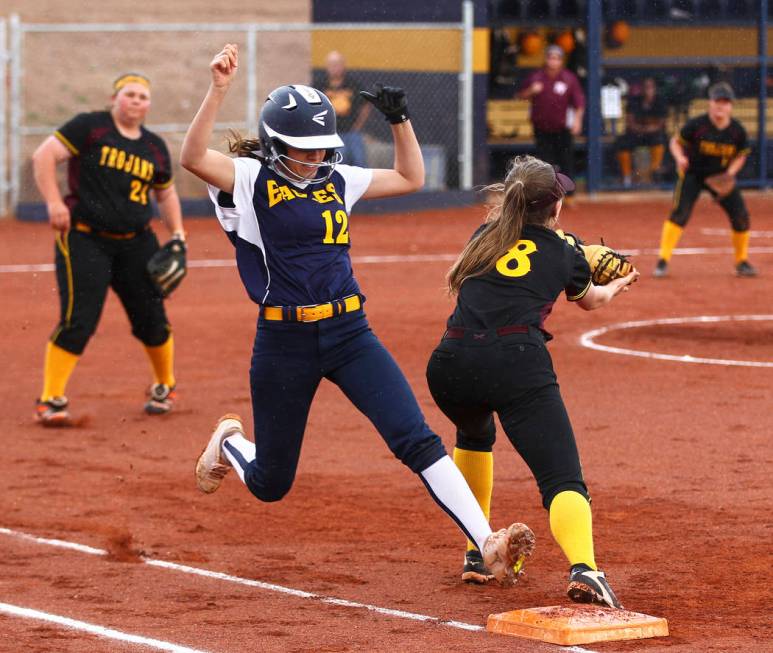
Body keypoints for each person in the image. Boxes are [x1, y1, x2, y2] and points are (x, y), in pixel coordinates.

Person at [181, 44, 535, 584]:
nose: (315, 158)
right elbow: (192, 157)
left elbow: (410, 177)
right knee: (273, 483)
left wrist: (401, 120)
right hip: (284, 342)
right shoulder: (250, 181)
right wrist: (219, 89)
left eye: (321, 148)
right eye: (302, 150)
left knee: (415, 437)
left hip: (350, 332)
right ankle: (230, 442)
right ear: (274, 147)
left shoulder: (336, 180)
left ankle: (484, 540)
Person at [425, 155, 639, 607]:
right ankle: (585, 569)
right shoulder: (566, 253)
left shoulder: (483, 235)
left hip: (450, 364)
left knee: (474, 435)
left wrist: (575, 249)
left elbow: (527, 245)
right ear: (555, 208)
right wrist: (614, 282)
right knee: (562, 478)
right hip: (514, 361)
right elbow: (592, 299)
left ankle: (478, 551)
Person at [32, 73, 185, 426]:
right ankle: (51, 398)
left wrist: (178, 233)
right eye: (129, 94)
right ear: (113, 99)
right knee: (79, 319)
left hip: (137, 241)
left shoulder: (154, 146)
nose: (135, 101)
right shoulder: (90, 127)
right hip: (85, 237)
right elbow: (44, 156)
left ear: (148, 105)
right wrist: (54, 203)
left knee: (152, 320)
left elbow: (165, 193)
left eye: (142, 96)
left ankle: (165, 385)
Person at [654, 82, 755, 278]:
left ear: (731, 106)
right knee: (680, 214)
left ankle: (741, 261)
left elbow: (741, 155)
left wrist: (730, 174)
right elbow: (675, 141)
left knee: (741, 216)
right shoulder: (697, 125)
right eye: (718, 101)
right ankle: (662, 260)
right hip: (693, 174)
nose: (721, 106)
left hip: (720, 177)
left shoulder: (737, 131)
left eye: (725, 103)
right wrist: (680, 158)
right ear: (710, 103)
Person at [517, 45, 585, 197]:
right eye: (550, 57)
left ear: (561, 61)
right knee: (544, 163)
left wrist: (577, 121)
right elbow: (521, 95)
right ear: (546, 58)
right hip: (541, 127)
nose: (553, 61)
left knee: (566, 161)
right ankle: (546, 196)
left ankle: (569, 195)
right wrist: (531, 91)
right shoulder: (536, 77)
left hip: (562, 128)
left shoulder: (569, 78)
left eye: (556, 58)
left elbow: (579, 102)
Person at [320, 51, 371, 168]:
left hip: (352, 131)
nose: (334, 68)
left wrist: (358, 125)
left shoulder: (353, 84)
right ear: (327, 67)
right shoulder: (320, 85)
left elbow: (366, 104)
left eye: (337, 64)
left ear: (343, 66)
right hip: (331, 133)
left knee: (359, 161)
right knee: (337, 163)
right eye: (331, 65)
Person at [615, 77, 668, 187]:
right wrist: (642, 129)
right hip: (636, 134)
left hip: (654, 134)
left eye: (650, 87)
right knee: (622, 143)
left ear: (654, 89)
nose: (648, 90)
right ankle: (627, 177)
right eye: (645, 87)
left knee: (661, 139)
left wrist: (649, 129)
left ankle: (655, 172)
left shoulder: (660, 101)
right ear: (642, 89)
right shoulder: (634, 101)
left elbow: (661, 124)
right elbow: (630, 122)